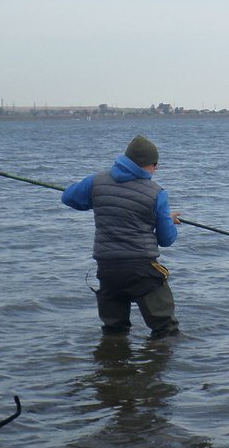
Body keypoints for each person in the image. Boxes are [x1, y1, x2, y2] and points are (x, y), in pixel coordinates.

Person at [63, 135, 182, 338]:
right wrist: (168, 220)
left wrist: (98, 198)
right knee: (166, 330)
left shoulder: (97, 181)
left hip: (108, 269)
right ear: (151, 165)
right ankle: (160, 368)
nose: (156, 170)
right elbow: (166, 239)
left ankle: (111, 366)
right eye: (156, 166)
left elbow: (69, 197)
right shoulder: (156, 193)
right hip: (142, 270)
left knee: (114, 330)